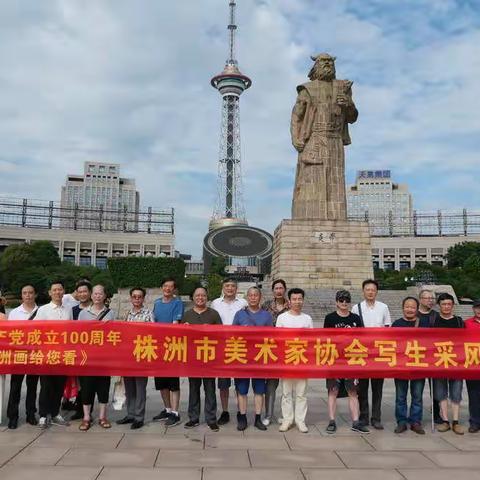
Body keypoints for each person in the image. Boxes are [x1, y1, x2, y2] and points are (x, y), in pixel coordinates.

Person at [290, 53, 358, 220]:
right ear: (316, 65)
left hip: (335, 140)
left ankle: (336, 219)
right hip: (314, 138)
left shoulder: (343, 87)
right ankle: (309, 218)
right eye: (323, 61)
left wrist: (348, 104)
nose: (327, 64)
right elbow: (296, 116)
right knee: (312, 179)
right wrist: (295, 138)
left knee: (335, 180)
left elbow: (353, 117)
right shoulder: (308, 89)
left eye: (330, 61)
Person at [323, 290, 369, 434]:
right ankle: (331, 421)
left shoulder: (355, 318)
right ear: (336, 302)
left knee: (353, 391)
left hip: (352, 360)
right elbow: (325, 339)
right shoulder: (330, 318)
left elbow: (362, 338)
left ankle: (355, 421)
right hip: (334, 360)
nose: (344, 303)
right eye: (341, 300)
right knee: (333, 391)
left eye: (346, 300)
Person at [351, 279, 391, 429]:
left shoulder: (383, 307)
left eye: (373, 290)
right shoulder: (356, 308)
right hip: (362, 352)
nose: (370, 292)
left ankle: (376, 417)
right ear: (363, 291)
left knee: (377, 387)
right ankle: (364, 416)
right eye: (367, 289)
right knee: (362, 387)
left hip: (378, 352)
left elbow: (388, 327)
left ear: (376, 291)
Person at [181, 287, 222, 432]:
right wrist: (183, 329)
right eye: (197, 295)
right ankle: (193, 418)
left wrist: (210, 330)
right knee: (193, 389)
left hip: (209, 358)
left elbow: (221, 335)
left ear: (207, 297)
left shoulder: (214, 314)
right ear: (193, 297)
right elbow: (180, 338)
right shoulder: (187, 315)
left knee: (210, 389)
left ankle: (211, 419)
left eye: (203, 295)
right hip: (193, 358)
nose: (200, 298)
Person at [232, 286, 273, 431]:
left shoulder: (267, 316)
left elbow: (271, 337)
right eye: (250, 295)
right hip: (242, 357)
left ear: (260, 297)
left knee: (259, 391)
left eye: (256, 295)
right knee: (242, 390)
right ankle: (242, 417)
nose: (253, 297)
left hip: (260, 358)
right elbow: (233, 336)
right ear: (247, 297)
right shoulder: (239, 314)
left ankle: (257, 418)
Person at [35, 280, 72, 429]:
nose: (57, 292)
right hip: (47, 354)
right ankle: (43, 415)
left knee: (59, 385)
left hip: (63, 354)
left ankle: (55, 413)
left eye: (60, 289)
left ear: (64, 291)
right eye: (54, 290)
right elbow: (37, 331)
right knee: (46, 386)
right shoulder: (43, 310)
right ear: (50, 293)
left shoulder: (68, 309)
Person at [77, 284, 115, 431]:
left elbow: (115, 335)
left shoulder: (110, 314)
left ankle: (102, 417)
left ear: (105, 296)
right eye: (95, 293)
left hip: (104, 357)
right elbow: (78, 335)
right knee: (87, 388)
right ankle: (86, 417)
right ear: (91, 295)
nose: (98, 296)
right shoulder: (83, 314)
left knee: (103, 388)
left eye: (100, 294)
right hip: (88, 357)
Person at [211, 277, 248, 425]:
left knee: (240, 382)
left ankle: (241, 411)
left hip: (239, 347)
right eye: (227, 286)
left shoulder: (243, 303)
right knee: (223, 383)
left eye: (233, 286)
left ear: (236, 288)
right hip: (221, 347)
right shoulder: (215, 303)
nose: (230, 288)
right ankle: (225, 411)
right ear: (223, 287)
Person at [117, 287, 154, 430]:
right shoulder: (128, 314)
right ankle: (130, 414)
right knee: (130, 387)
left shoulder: (149, 314)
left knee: (140, 388)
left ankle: (139, 417)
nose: (137, 299)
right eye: (134, 297)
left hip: (142, 355)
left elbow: (153, 334)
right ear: (131, 298)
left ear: (143, 299)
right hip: (128, 356)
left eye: (139, 297)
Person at [277, 288, 312, 433]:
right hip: (287, 360)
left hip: (302, 361)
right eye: (294, 299)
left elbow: (311, 341)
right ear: (289, 301)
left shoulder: (307, 319)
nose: (297, 302)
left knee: (301, 393)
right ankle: (287, 419)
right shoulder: (282, 318)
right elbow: (278, 340)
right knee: (286, 393)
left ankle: (300, 420)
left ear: (303, 300)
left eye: (300, 299)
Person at [392, 297, 430, 435]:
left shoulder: (424, 324)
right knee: (400, 396)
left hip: (418, 366)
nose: (409, 309)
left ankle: (415, 421)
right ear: (403, 308)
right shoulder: (396, 324)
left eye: (412, 307)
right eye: (407, 306)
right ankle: (401, 421)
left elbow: (429, 344)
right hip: (401, 366)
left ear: (417, 309)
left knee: (417, 396)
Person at [6, 284, 39, 429]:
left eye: (30, 293)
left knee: (32, 386)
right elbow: (9, 335)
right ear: (22, 295)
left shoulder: (41, 311)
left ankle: (30, 414)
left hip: (35, 354)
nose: (28, 295)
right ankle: (13, 416)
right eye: (25, 293)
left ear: (35, 295)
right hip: (18, 354)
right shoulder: (14, 313)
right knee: (15, 387)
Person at [152, 277, 184, 426]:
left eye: (171, 286)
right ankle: (167, 409)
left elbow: (175, 324)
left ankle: (175, 413)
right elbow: (153, 322)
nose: (167, 289)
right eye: (165, 286)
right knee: (161, 382)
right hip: (157, 347)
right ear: (161, 287)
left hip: (171, 346)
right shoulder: (157, 303)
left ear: (174, 289)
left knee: (173, 382)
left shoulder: (177, 303)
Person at [433, 292, 465, 435]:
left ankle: (456, 421)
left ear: (452, 305)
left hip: (456, 363)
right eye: (444, 304)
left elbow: (466, 341)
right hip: (439, 362)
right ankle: (445, 420)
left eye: (449, 304)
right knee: (441, 393)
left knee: (456, 392)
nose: (446, 307)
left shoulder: (459, 321)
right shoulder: (434, 320)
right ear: (439, 305)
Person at [261, 279, 289, 426]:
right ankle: (268, 414)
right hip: (269, 349)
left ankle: (287, 416)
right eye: (276, 288)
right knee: (271, 384)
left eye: (281, 288)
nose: (278, 290)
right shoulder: (266, 306)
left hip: (287, 350)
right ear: (273, 291)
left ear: (284, 290)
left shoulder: (291, 306)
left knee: (288, 386)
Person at [68, 280, 93, 420]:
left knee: (89, 383)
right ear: (76, 294)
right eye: (80, 292)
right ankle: (79, 409)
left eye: (85, 291)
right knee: (78, 382)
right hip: (78, 351)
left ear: (90, 293)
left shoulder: (96, 308)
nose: (83, 294)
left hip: (93, 352)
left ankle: (88, 412)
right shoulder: (73, 310)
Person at [417, 288, 442, 424]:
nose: (430, 301)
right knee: (418, 390)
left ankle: (437, 413)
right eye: (427, 298)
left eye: (432, 298)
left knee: (436, 388)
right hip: (418, 356)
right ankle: (417, 416)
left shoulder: (436, 316)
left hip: (434, 356)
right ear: (420, 299)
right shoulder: (414, 315)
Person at [465, 300, 480, 433]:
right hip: (473, 365)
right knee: (474, 395)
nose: (479, 310)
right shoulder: (467, 324)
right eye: (477, 307)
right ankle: (475, 422)